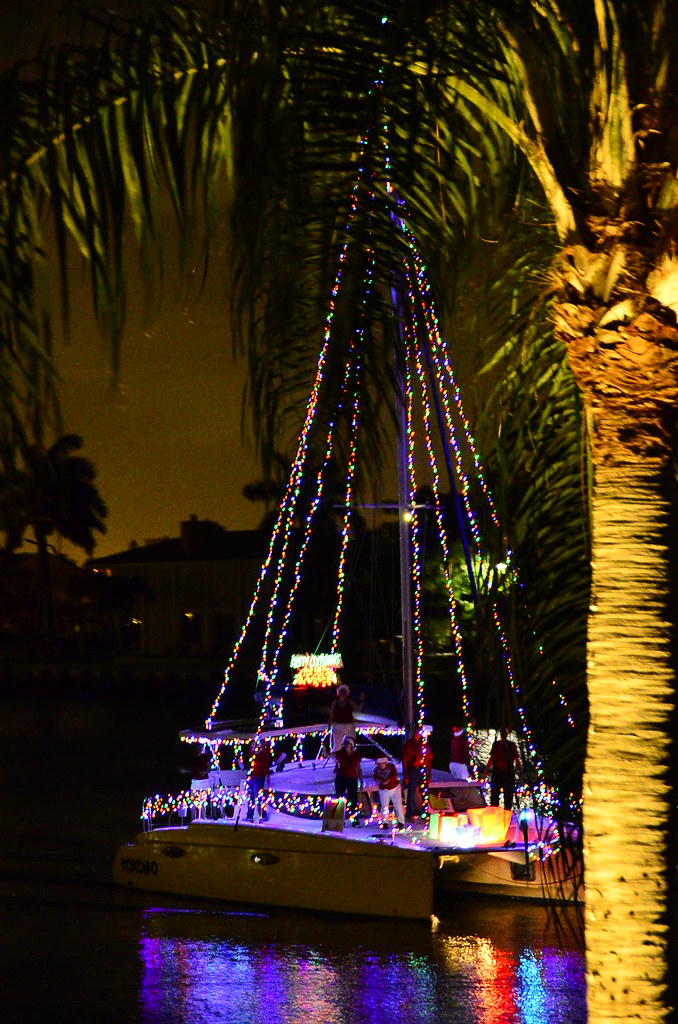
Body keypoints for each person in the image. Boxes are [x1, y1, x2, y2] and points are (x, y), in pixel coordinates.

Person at [483, 727, 522, 810]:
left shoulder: (511, 745)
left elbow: (516, 760)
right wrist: (485, 771)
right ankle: (494, 811)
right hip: (497, 772)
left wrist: (520, 772)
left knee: (508, 796)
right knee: (495, 795)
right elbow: (492, 759)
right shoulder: (496, 744)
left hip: (508, 773)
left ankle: (507, 812)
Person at [330, 734, 363, 823]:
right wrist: (325, 746)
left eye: (346, 742)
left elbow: (359, 769)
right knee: (340, 798)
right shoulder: (340, 753)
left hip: (352, 779)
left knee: (353, 799)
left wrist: (361, 781)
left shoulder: (356, 755)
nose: (344, 744)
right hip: (341, 778)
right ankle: (340, 821)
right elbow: (328, 754)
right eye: (344, 742)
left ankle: (355, 820)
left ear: (351, 744)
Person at [402, 726, 433, 821]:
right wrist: (406, 775)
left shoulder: (424, 744)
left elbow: (428, 761)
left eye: (418, 732)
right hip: (413, 770)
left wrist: (429, 774)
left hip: (422, 770)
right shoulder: (409, 744)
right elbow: (405, 760)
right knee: (411, 793)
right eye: (415, 732)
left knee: (424, 793)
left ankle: (425, 813)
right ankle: (408, 815)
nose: (416, 734)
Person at [328, 677, 365, 752]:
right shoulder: (335, 702)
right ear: (339, 693)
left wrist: (362, 701)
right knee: (337, 745)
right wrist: (329, 726)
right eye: (341, 691)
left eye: (344, 692)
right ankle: (337, 762)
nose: (343, 693)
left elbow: (358, 709)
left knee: (351, 743)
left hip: (349, 725)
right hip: (338, 726)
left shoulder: (349, 701)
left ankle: (352, 760)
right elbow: (331, 714)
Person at [373, 755, 405, 826]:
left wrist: (388, 780)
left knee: (398, 805)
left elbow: (394, 776)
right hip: (384, 790)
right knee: (384, 806)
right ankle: (385, 822)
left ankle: (401, 822)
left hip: (395, 788)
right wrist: (380, 781)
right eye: (379, 764)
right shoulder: (377, 769)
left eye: (382, 763)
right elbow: (375, 777)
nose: (381, 765)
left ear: (385, 762)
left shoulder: (391, 767)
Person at [246, 738, 272, 822]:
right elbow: (249, 756)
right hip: (251, 777)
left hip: (259, 777)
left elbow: (265, 765)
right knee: (251, 797)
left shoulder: (263, 753)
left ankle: (263, 815)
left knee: (258, 797)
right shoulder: (252, 753)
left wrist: (267, 776)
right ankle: (250, 815)